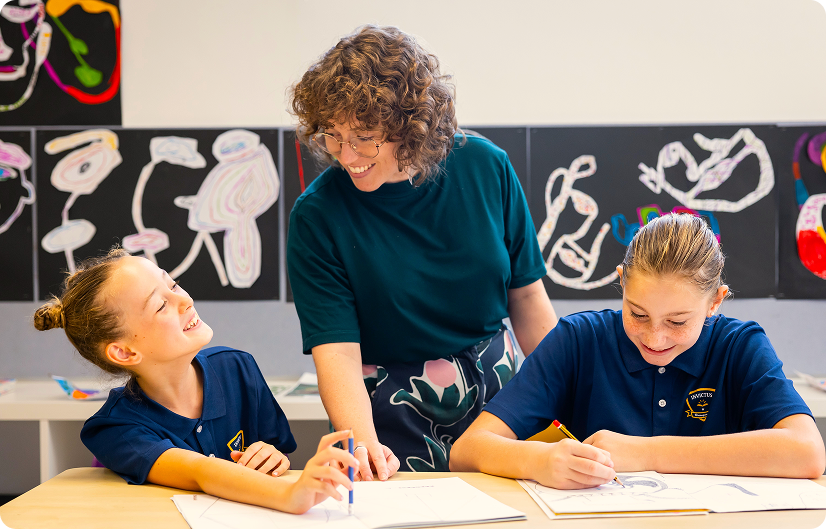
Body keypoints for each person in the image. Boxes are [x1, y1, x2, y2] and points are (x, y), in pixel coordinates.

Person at [287, 25, 557, 479]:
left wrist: (570, 393)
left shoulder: (486, 167)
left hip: (500, 390)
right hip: (388, 406)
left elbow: (528, 300)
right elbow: (336, 352)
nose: (346, 155)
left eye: (365, 137)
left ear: (411, 126)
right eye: (332, 135)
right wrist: (362, 443)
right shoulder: (318, 215)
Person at [450, 213, 826, 487]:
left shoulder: (740, 347)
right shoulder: (578, 340)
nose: (655, 338)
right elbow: (467, 451)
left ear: (715, 302)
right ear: (621, 283)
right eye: (638, 314)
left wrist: (648, 453)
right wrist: (539, 459)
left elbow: (808, 453)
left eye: (677, 322)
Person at [33, 249, 359, 514]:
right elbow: (199, 471)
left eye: (172, 285)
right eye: (161, 305)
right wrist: (291, 495)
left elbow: (279, 455)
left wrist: (274, 456)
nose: (185, 301)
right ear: (123, 351)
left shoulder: (237, 368)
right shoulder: (112, 429)